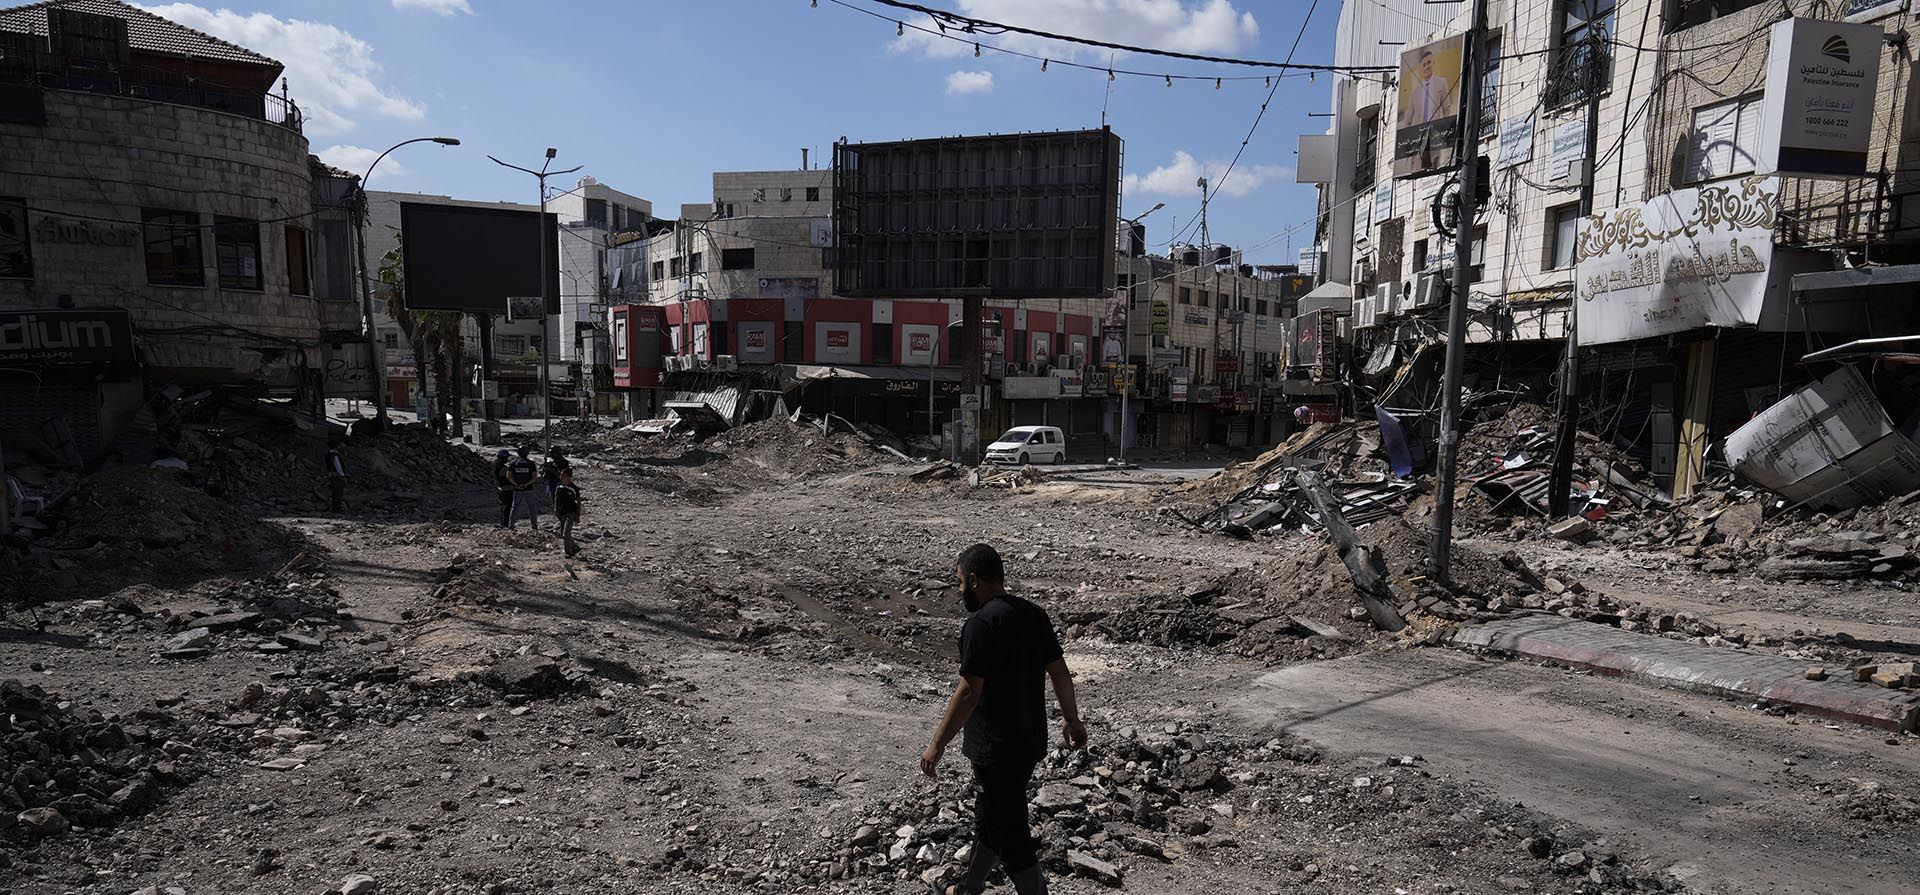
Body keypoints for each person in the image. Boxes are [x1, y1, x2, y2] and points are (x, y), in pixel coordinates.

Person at [920, 543, 1086, 895]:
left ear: (976, 580)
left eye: (961, 582)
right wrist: (1072, 720)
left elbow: (968, 692)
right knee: (994, 819)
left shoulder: (980, 625)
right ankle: (967, 889)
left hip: (994, 749)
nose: (961, 590)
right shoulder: (1034, 615)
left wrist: (937, 743)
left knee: (1011, 835)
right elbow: (1059, 672)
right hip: (1029, 744)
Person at [1399, 49, 1457, 127]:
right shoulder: (1415, 92)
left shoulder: (1441, 82)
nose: (1427, 67)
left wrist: (1444, 127)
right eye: (1424, 65)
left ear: (1433, 63)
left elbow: (1446, 109)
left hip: (1435, 130)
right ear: (1421, 68)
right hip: (1419, 134)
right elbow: (1407, 119)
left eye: (1429, 62)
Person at [505, 445, 540, 530]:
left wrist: (516, 484)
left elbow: (508, 476)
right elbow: (535, 477)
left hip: (517, 489)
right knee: (532, 508)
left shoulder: (513, 463)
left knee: (514, 508)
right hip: (529, 489)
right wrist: (527, 484)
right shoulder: (531, 463)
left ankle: (511, 526)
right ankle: (534, 526)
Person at [552, 467, 581, 558]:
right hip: (562, 513)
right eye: (561, 475)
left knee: (566, 533)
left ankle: (568, 552)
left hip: (571, 513)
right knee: (563, 534)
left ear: (569, 477)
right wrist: (555, 509)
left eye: (563, 475)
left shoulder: (574, 488)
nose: (561, 477)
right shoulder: (559, 486)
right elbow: (556, 498)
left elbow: (578, 502)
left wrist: (578, 515)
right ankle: (575, 547)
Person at [492, 449, 514, 528]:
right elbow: (507, 475)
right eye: (506, 457)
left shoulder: (497, 465)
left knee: (504, 507)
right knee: (507, 507)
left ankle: (503, 523)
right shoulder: (501, 467)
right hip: (506, 489)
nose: (507, 459)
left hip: (502, 488)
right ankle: (505, 524)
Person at [324, 439, 347, 512]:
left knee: (334, 493)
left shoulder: (328, 455)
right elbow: (338, 466)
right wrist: (342, 476)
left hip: (331, 475)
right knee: (338, 493)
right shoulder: (335, 455)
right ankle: (337, 508)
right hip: (337, 476)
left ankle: (334, 508)